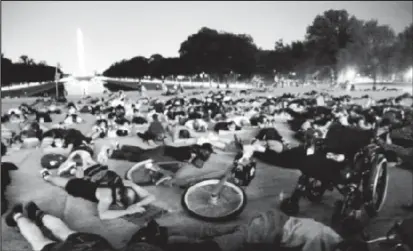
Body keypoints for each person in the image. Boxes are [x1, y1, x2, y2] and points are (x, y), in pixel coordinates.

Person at [39, 167, 165, 220]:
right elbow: (103, 215)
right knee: (65, 182)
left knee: (81, 174)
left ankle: (75, 168)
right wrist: (127, 211)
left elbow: (151, 196)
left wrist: (137, 204)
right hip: (82, 187)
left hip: (95, 181)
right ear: (119, 202)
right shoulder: (106, 198)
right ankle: (47, 176)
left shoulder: (127, 185)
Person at [5, 202, 115, 251]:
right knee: (40, 243)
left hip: (98, 246)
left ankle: (37, 213)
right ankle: (17, 216)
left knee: (67, 233)